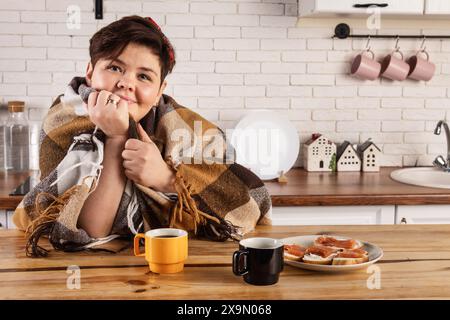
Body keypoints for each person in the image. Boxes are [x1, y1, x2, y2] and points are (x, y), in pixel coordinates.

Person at [13, 15, 272, 257]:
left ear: (160, 91)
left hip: (177, 264)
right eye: (115, 68)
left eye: (144, 76)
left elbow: (247, 206)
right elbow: (90, 232)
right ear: (90, 72)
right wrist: (116, 136)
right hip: (95, 270)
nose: (127, 82)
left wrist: (167, 179)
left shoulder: (186, 129)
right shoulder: (65, 120)